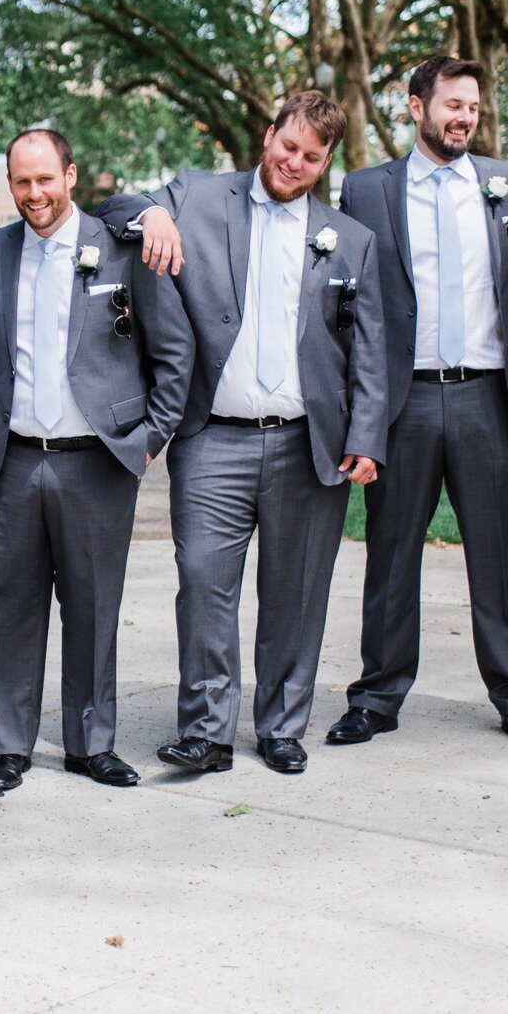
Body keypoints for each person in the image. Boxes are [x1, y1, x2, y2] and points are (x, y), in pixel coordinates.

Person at [102, 90, 388, 775]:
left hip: (306, 441)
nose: (294, 162)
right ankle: (205, 731)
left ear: (325, 164)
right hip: (212, 438)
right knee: (203, 581)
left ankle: (283, 724)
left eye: (311, 157)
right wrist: (150, 215)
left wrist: (368, 435)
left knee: (296, 589)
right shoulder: (199, 197)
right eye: (288, 146)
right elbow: (114, 206)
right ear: (268, 136)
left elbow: (369, 347)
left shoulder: (349, 239)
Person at [326, 55, 508, 751]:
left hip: (488, 395)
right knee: (391, 554)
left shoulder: (506, 183)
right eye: (452, 104)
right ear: (415, 105)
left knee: (498, 554)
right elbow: (343, 300)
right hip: (406, 399)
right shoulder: (365, 191)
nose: (464, 118)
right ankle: (378, 694)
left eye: (474, 108)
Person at [0, 128, 193, 792]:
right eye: (21, 181)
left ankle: (91, 742)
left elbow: (173, 356)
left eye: (45, 178)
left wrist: (149, 437)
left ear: (70, 173)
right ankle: (9, 741)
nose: (34, 193)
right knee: (9, 605)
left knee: (93, 605)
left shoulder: (123, 249)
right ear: (10, 184)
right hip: (11, 462)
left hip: (98, 461)